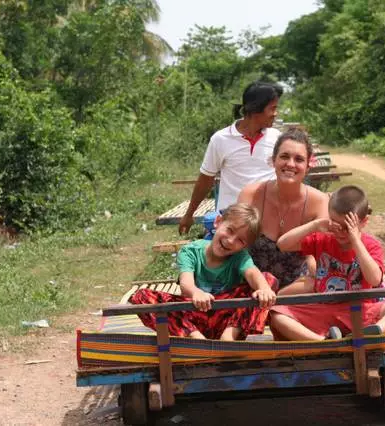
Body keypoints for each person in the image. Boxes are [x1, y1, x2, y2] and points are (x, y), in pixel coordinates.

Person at [269, 185, 385, 341]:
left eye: (347, 227)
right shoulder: (322, 239)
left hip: (362, 312)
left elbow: (374, 279)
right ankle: (322, 342)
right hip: (324, 310)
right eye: (336, 224)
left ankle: (374, 333)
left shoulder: (371, 245)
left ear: (363, 222)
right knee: (276, 313)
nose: (340, 232)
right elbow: (282, 244)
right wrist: (314, 225)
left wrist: (356, 240)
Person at [131, 203, 277, 340]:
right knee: (141, 296)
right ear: (218, 222)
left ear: (245, 246)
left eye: (240, 240)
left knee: (267, 280)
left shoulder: (240, 257)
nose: (231, 240)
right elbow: (186, 284)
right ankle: (196, 339)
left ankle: (229, 336)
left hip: (226, 318)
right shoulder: (191, 251)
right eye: (230, 230)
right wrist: (196, 293)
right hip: (193, 316)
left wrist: (264, 289)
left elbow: (253, 273)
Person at [178, 81, 283, 235]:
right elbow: (206, 179)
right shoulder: (221, 139)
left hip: (267, 223)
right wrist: (189, 214)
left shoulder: (277, 138)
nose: (276, 113)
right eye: (272, 108)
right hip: (232, 223)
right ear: (255, 109)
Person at [238, 128, 329, 288]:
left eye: (299, 159)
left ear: (308, 166)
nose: (290, 164)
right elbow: (236, 244)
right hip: (250, 286)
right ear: (273, 160)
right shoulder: (251, 194)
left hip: (296, 291)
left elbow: (319, 256)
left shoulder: (320, 202)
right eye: (284, 156)